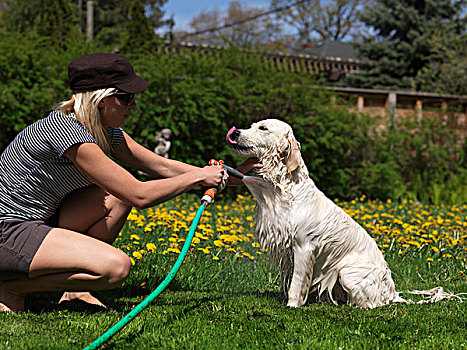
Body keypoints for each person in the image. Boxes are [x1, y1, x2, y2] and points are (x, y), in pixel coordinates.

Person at [0, 53, 258, 313]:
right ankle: (12, 288)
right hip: (7, 231)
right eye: (126, 97)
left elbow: (163, 166)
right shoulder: (66, 132)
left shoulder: (105, 132)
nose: (133, 105)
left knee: (115, 197)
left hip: (38, 222)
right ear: (100, 100)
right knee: (115, 269)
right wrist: (199, 177)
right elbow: (139, 195)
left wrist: (234, 176)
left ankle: (75, 290)